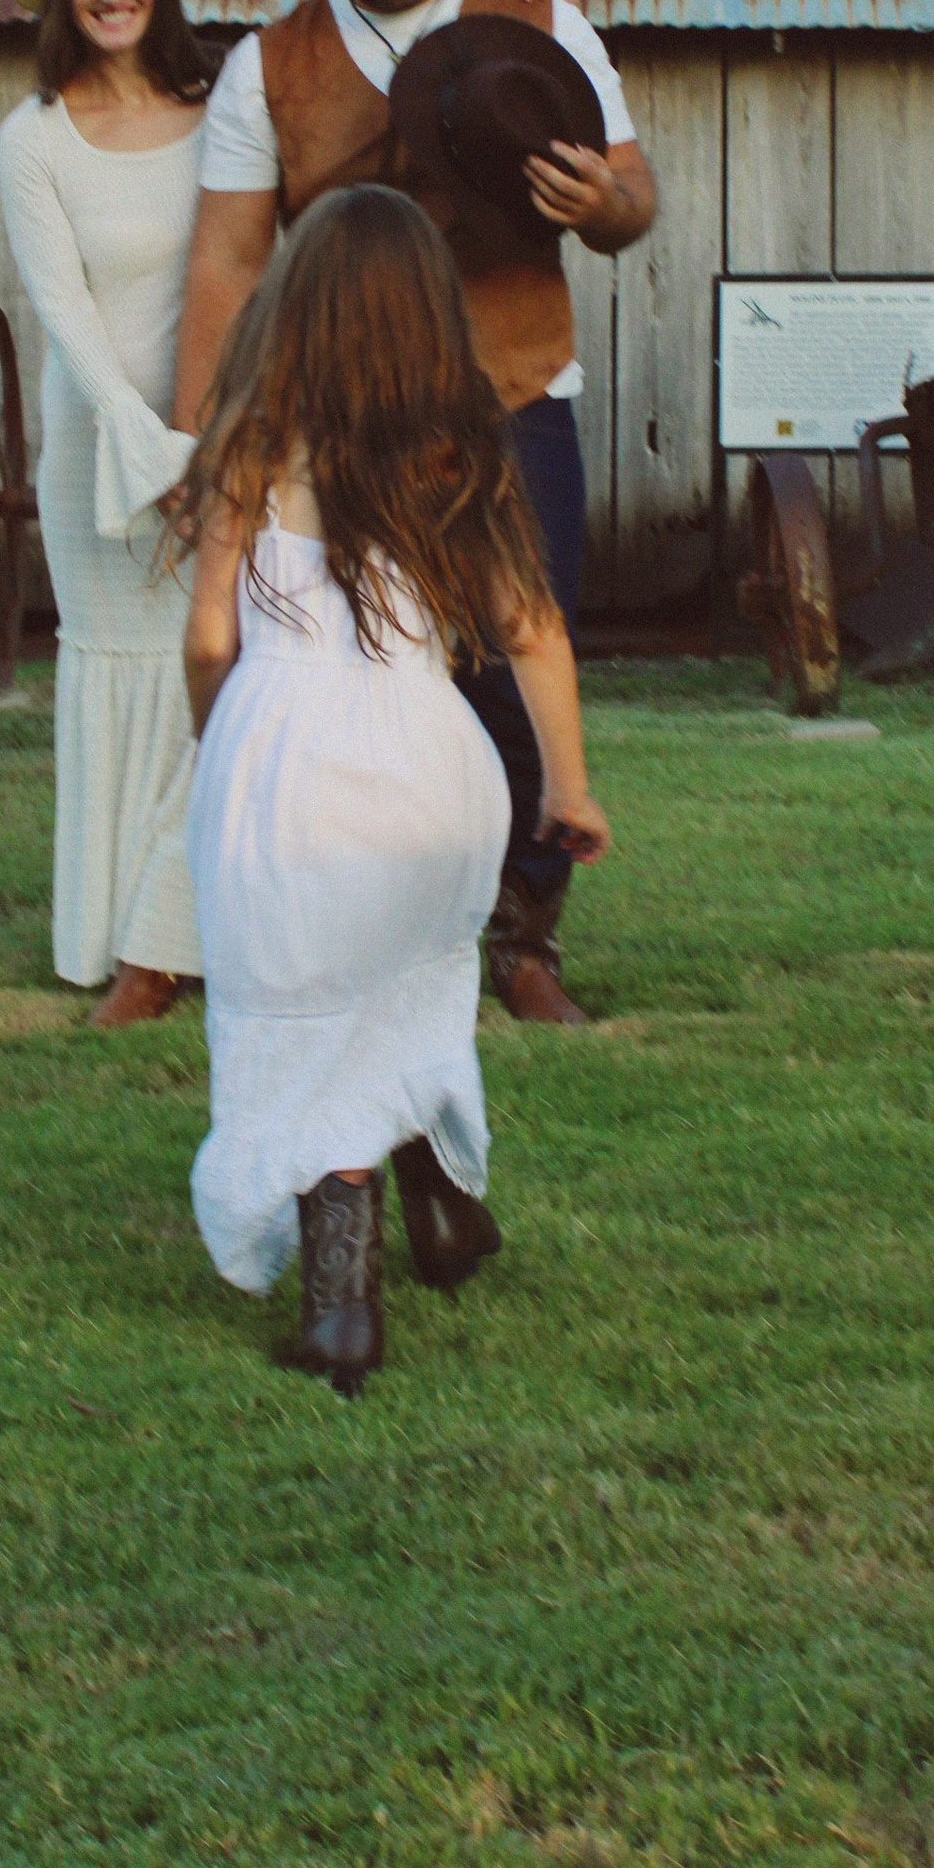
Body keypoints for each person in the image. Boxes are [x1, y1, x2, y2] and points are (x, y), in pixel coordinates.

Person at [172, 0, 654, 1026]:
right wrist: (200, 441)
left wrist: (600, 203)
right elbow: (227, 260)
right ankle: (375, 919)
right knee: (352, 673)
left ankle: (525, 935)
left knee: (518, 657)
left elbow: (635, 201)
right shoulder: (266, 67)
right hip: (338, 420)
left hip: (515, 392)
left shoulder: (543, 23)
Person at [170, 184, 611, 1393]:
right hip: (433, 774)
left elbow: (209, 638)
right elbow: (533, 630)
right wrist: (568, 789)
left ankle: (342, 1309)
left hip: (294, 767)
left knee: (302, 1015)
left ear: (293, 306)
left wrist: (219, 741)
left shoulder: (252, 446)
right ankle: (446, 1212)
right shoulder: (459, 452)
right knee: (402, 984)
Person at [0, 0, 210, 1027]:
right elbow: (65, 312)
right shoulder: (32, 138)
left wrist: (207, 448)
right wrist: (146, 453)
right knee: (118, 672)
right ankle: (114, 941)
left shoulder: (223, 112)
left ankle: (187, 936)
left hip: (215, 443)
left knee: (207, 672)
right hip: (98, 446)